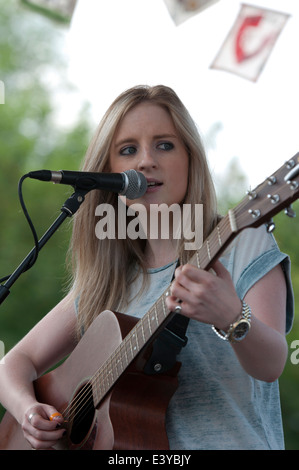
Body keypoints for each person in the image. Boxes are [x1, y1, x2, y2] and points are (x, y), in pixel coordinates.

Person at [0, 85, 294, 450]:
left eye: (165, 145)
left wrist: (231, 315)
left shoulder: (241, 244)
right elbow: (12, 364)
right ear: (108, 173)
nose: (145, 161)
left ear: (190, 158)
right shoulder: (108, 283)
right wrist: (29, 412)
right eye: (128, 150)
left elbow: (271, 364)